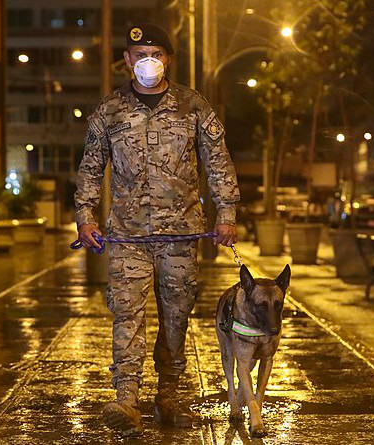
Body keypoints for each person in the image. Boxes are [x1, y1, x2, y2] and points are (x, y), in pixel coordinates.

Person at [74, 23, 240, 436]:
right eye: (139, 53)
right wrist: (86, 216)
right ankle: (126, 400)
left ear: (168, 60)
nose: (148, 60)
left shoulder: (193, 106)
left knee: (176, 316)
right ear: (127, 61)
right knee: (126, 313)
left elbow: (217, 160)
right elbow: (91, 167)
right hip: (127, 235)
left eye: (157, 52)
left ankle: (168, 396)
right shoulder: (109, 111)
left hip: (181, 235)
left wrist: (227, 214)